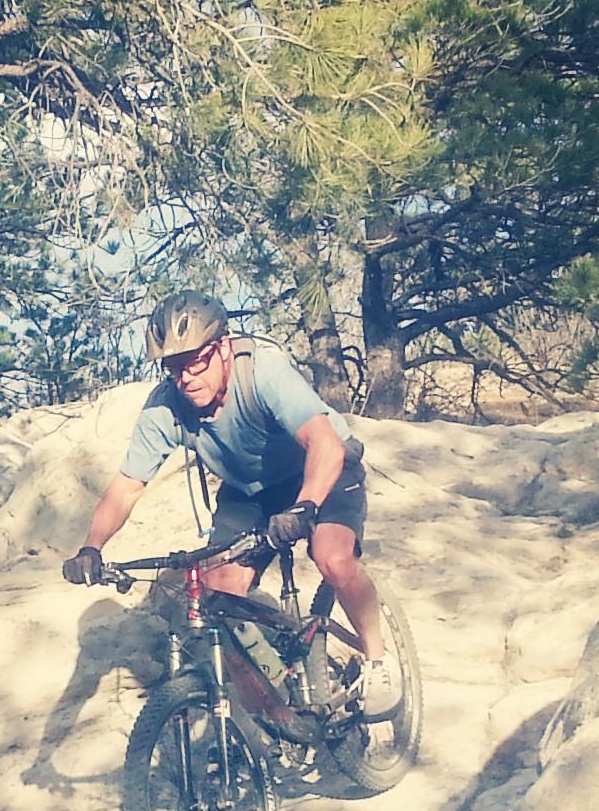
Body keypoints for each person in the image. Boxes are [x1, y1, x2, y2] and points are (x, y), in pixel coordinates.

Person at [60, 289, 401, 717]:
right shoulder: (166, 407)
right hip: (249, 492)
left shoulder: (260, 372)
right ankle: (274, 720)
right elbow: (127, 486)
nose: (185, 378)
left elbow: (324, 444)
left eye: (195, 362)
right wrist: (91, 547)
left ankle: (379, 660)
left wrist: (305, 506)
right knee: (218, 597)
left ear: (222, 347)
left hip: (321, 468)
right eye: (173, 368)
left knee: (331, 557)